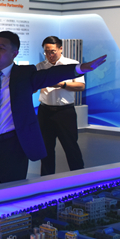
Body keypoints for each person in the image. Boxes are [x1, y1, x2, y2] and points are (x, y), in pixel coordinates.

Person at [0, 31, 106, 189]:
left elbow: (51, 74)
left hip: (13, 147)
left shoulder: (24, 74)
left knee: (13, 192)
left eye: (1, 48)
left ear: (15, 53)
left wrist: (80, 68)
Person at [37, 36, 86, 176]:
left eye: (52, 51)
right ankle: (46, 180)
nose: (50, 55)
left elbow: (81, 86)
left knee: (71, 146)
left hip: (65, 112)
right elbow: (33, 87)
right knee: (45, 148)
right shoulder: (40, 67)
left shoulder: (72, 65)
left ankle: (79, 177)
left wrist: (61, 84)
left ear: (60, 49)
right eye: (46, 52)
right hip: (45, 111)